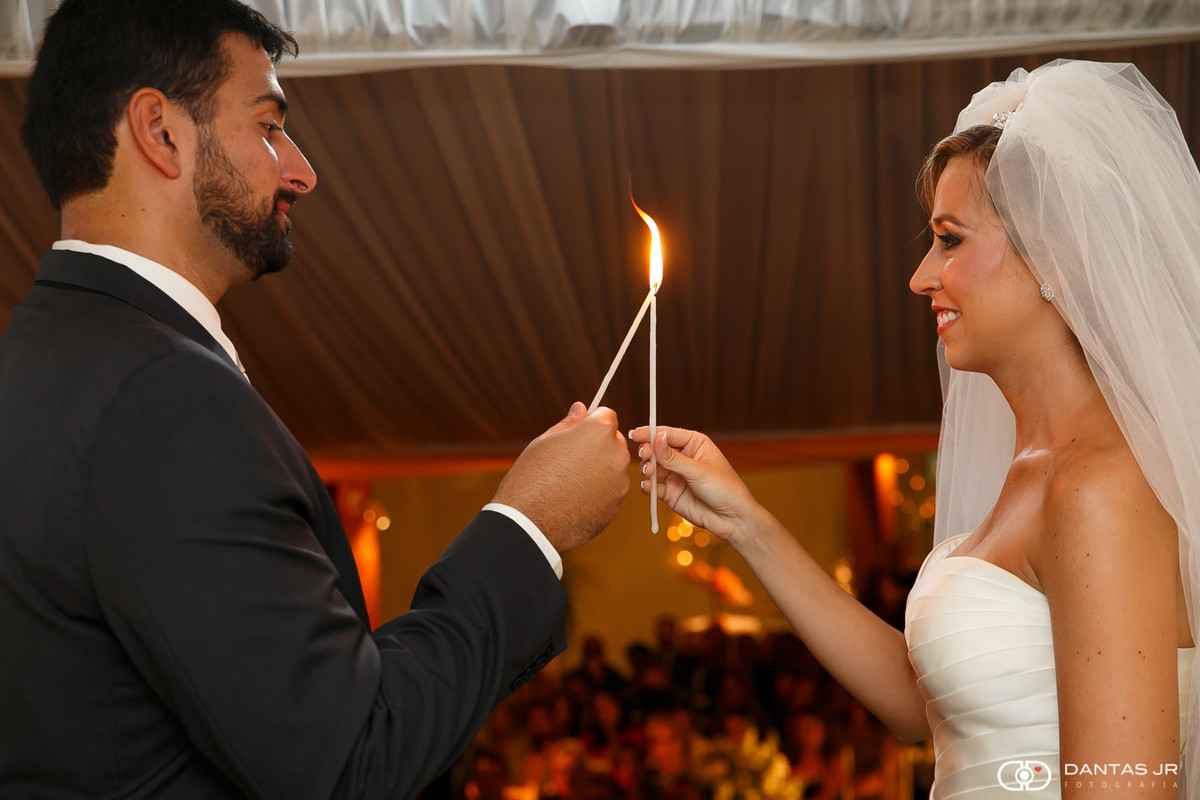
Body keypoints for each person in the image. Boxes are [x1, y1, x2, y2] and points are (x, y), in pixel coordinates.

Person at [0, 1, 630, 797]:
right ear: (160, 132)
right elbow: (345, 762)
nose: (300, 171)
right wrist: (530, 526)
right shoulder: (163, 397)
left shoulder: (37, 358)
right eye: (269, 127)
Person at [632, 59, 1200, 798]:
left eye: (950, 239)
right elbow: (921, 703)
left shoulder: (1100, 485)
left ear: (1054, 255)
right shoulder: (1035, 466)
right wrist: (745, 523)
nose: (921, 276)